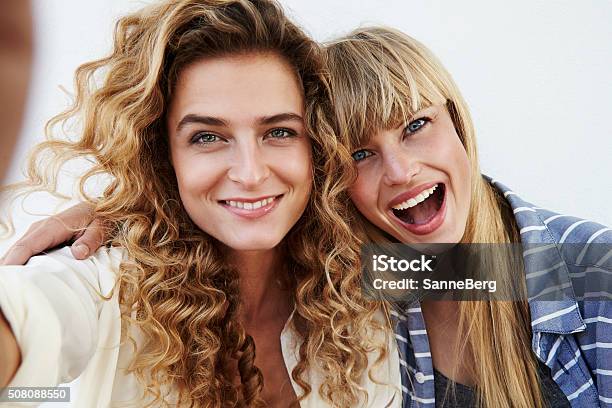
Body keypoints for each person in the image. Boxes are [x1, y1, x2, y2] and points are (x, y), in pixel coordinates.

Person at [16, 24, 612, 407]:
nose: (401, 171)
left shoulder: (581, 273)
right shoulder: (369, 277)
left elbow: (528, 273)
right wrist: (135, 212)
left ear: (457, 120)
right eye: (359, 153)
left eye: (416, 126)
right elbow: (33, 317)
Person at [0, 1, 401, 407]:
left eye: (279, 131)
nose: (250, 173)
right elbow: (30, 309)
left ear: (316, 143)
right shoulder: (106, 285)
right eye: (207, 137)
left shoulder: (361, 271)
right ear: (163, 155)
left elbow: (465, 272)